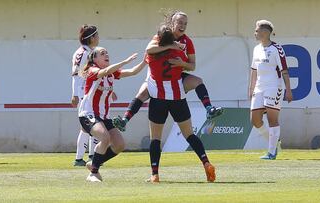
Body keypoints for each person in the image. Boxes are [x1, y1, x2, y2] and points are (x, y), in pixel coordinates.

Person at [113, 10, 222, 132]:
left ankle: (209, 109)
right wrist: (171, 45)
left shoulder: (187, 41)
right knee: (142, 94)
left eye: (185, 24)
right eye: (180, 22)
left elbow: (192, 66)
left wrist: (182, 63)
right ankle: (124, 120)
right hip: (156, 77)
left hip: (175, 77)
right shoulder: (162, 36)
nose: (183, 26)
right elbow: (149, 49)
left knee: (198, 81)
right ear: (172, 23)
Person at [145, 25, 215, 183]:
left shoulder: (151, 55)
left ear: (158, 39)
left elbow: (149, 50)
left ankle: (154, 174)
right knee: (189, 135)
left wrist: (166, 44)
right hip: (177, 97)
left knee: (155, 138)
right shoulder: (178, 53)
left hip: (158, 99)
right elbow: (190, 66)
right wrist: (177, 53)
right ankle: (206, 163)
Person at [79, 47, 146, 182]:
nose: (106, 54)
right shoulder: (92, 70)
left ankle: (94, 163)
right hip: (88, 114)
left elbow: (133, 72)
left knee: (119, 145)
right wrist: (125, 61)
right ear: (94, 59)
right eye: (102, 53)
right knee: (105, 137)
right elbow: (106, 71)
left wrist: (146, 61)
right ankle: (93, 173)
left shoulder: (111, 74)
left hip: (103, 117)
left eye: (107, 52)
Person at [249, 20, 293, 160]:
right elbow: (254, 70)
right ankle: (274, 142)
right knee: (255, 120)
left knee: (272, 119)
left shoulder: (277, 49)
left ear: (266, 32)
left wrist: (288, 90)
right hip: (259, 87)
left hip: (274, 86)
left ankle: (272, 152)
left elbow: (284, 71)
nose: (255, 32)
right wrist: (251, 88)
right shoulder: (256, 49)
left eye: (257, 30)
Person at [71, 24, 100, 166]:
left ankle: (91, 156)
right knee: (89, 125)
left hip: (88, 93)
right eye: (97, 35)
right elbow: (76, 75)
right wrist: (75, 94)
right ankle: (80, 158)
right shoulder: (85, 53)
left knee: (91, 125)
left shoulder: (85, 51)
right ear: (92, 38)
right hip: (85, 94)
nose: (99, 38)